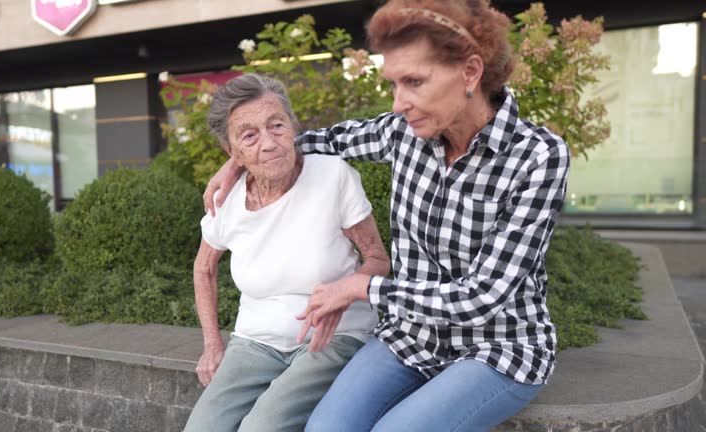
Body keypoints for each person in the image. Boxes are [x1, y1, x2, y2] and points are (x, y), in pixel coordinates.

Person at [204, 0, 571, 430]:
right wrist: (237, 159)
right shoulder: (404, 134)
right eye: (394, 85)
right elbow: (313, 142)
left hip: (497, 347)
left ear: (470, 73)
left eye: (414, 82)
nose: (398, 104)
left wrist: (364, 287)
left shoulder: (538, 157)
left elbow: (482, 297)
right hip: (409, 338)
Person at [183, 73, 390, 432]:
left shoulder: (332, 176)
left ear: (292, 125)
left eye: (276, 125)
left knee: (260, 428)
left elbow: (378, 259)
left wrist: (346, 292)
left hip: (333, 336)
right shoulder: (225, 200)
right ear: (232, 152)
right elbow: (204, 268)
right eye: (250, 135)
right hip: (255, 341)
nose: (269, 142)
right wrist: (212, 344)